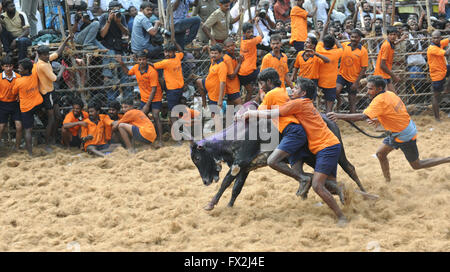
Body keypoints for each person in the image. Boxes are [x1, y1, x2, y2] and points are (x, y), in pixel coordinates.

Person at [238, 77, 347, 226]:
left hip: (326, 146)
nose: (292, 90)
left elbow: (275, 113)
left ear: (303, 92)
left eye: (296, 89)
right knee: (329, 186)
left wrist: (251, 114)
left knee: (318, 186)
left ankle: (341, 217)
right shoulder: (302, 102)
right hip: (325, 146)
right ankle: (362, 197)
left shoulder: (299, 103)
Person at [327, 75, 450, 183]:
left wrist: (338, 115)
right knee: (381, 154)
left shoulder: (379, 101)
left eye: (370, 88)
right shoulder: (390, 94)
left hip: (404, 135)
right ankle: (388, 181)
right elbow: (395, 112)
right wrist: (379, 119)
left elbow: (362, 116)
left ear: (379, 89)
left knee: (417, 165)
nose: (367, 91)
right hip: (401, 130)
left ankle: (447, 159)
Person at [34, 34, 73, 152]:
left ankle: (53, 139)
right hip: (47, 94)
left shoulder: (44, 60)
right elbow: (56, 79)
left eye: (47, 54)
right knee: (51, 118)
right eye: (45, 55)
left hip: (51, 92)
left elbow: (57, 53)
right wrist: (62, 69)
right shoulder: (42, 65)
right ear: (40, 56)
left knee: (58, 116)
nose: (47, 56)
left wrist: (65, 40)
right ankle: (47, 143)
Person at [117, 50, 163, 146]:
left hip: (155, 97)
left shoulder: (151, 71)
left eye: (143, 59)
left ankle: (160, 140)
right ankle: (142, 139)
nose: (142, 61)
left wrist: (147, 105)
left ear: (146, 60)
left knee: (155, 116)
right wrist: (121, 63)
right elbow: (128, 72)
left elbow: (154, 89)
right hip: (144, 97)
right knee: (140, 117)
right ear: (137, 60)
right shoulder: (136, 68)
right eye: (139, 60)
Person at [99, 1, 131, 101]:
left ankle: (127, 101)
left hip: (119, 47)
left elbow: (126, 32)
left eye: (118, 9)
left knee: (125, 76)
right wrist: (109, 20)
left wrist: (118, 22)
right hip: (108, 48)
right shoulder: (104, 17)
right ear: (109, 10)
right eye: (114, 10)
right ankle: (112, 102)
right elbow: (102, 35)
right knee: (111, 78)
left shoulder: (121, 16)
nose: (117, 11)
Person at [11, 58, 43, 156]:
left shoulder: (19, 81)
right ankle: (37, 118)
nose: (18, 69)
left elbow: (13, 92)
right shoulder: (34, 73)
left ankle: (30, 153)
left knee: (28, 130)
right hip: (38, 104)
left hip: (27, 108)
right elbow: (36, 63)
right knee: (39, 113)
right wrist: (36, 56)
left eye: (20, 68)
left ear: (26, 70)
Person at [150, 42, 184, 126]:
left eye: (169, 52)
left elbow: (153, 65)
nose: (167, 54)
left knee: (172, 112)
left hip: (172, 90)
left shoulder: (166, 62)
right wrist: (176, 43)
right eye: (165, 52)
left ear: (173, 52)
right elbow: (182, 51)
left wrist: (143, 61)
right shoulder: (178, 57)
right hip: (180, 88)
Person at [335, 28, 368, 113]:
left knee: (352, 99)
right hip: (342, 74)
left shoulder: (363, 51)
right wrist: (335, 37)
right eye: (352, 37)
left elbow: (364, 67)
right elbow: (335, 45)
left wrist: (357, 82)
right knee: (336, 91)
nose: (353, 39)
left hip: (354, 78)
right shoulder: (345, 45)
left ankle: (352, 117)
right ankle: (339, 102)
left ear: (359, 38)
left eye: (355, 37)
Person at [316, 21, 343, 113]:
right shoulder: (336, 52)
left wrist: (324, 29)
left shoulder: (319, 50)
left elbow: (320, 39)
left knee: (317, 101)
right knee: (329, 102)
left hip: (319, 80)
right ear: (333, 44)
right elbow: (341, 47)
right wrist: (333, 37)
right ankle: (329, 117)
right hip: (330, 82)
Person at [373, 26, 407, 93]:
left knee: (393, 95)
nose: (393, 36)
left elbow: (394, 44)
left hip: (385, 75)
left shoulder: (390, 43)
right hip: (381, 75)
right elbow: (382, 65)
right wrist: (394, 76)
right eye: (391, 35)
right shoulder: (386, 46)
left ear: (397, 35)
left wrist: (401, 40)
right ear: (387, 35)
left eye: (394, 34)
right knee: (386, 95)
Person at [427, 30, 450, 121]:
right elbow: (447, 53)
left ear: (440, 38)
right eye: (434, 38)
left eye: (437, 37)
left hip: (443, 70)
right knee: (436, 96)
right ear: (431, 38)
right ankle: (437, 118)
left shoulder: (439, 43)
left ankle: (447, 89)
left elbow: (447, 40)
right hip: (437, 75)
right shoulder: (432, 48)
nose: (435, 39)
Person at [196, 44, 228, 109]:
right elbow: (211, 55)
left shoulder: (221, 66)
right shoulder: (214, 61)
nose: (213, 55)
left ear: (220, 54)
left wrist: (220, 100)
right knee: (198, 81)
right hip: (209, 86)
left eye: (216, 53)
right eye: (212, 53)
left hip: (215, 93)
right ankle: (204, 104)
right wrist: (208, 47)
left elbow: (223, 83)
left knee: (214, 114)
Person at [238, 20, 264, 102]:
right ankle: (257, 100)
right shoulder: (251, 42)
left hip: (241, 72)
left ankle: (246, 106)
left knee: (250, 91)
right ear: (244, 33)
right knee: (263, 74)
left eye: (252, 32)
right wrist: (256, 25)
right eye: (249, 32)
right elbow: (262, 35)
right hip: (248, 72)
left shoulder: (242, 40)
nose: (251, 34)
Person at [0, 56, 22, 151]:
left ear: (13, 66)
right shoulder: (0, 78)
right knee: (1, 127)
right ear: (2, 67)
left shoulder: (18, 77)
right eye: (6, 66)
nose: (8, 68)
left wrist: (19, 96)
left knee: (19, 126)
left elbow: (22, 90)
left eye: (10, 66)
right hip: (3, 105)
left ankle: (17, 147)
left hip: (15, 104)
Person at [222, 38, 243, 106]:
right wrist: (239, 63)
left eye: (232, 45)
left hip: (233, 86)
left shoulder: (232, 56)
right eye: (228, 46)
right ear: (225, 48)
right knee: (239, 105)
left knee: (230, 105)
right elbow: (231, 76)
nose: (231, 48)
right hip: (232, 87)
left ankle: (229, 117)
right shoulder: (227, 58)